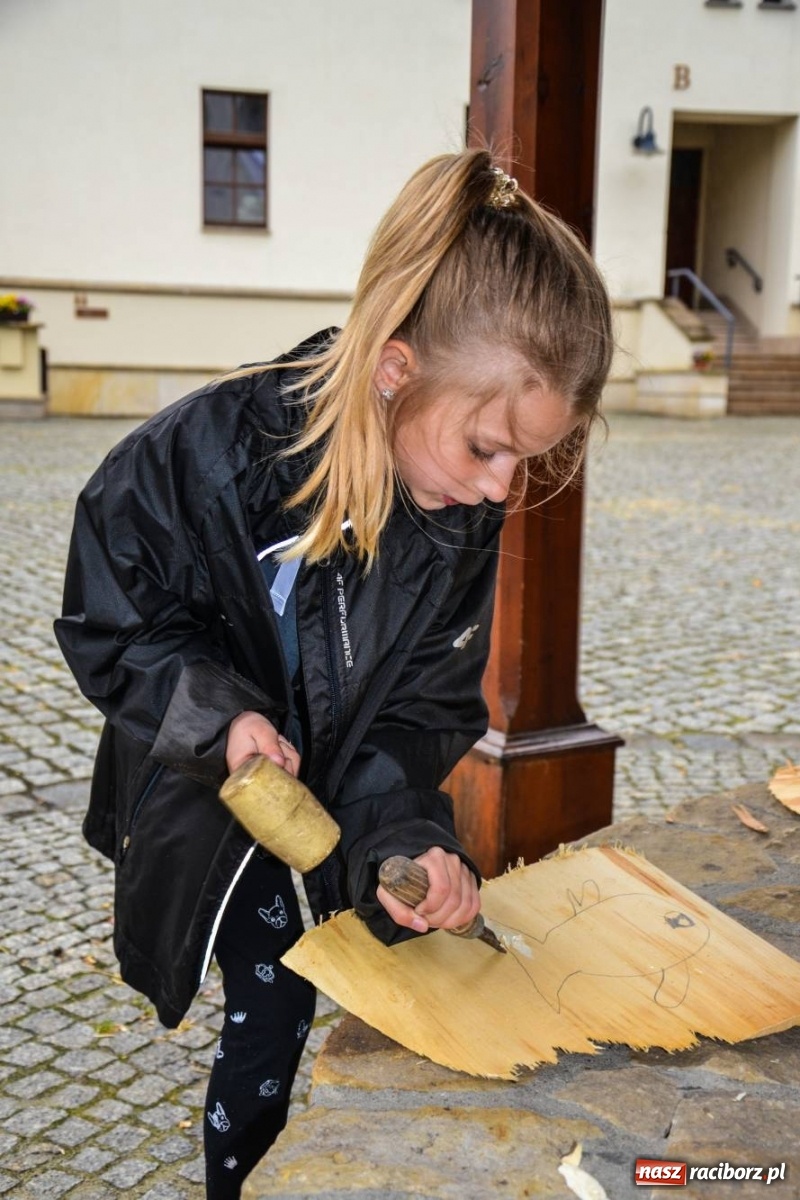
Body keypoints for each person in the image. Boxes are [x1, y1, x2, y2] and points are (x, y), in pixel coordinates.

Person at [55, 148, 613, 1198]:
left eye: (525, 463)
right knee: (273, 1004)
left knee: (345, 983)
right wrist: (218, 721)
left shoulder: (452, 516)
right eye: (487, 447)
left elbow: (417, 711)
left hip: (330, 799)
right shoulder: (207, 452)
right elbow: (111, 620)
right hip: (205, 793)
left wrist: (408, 837)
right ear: (396, 370)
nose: (500, 490)